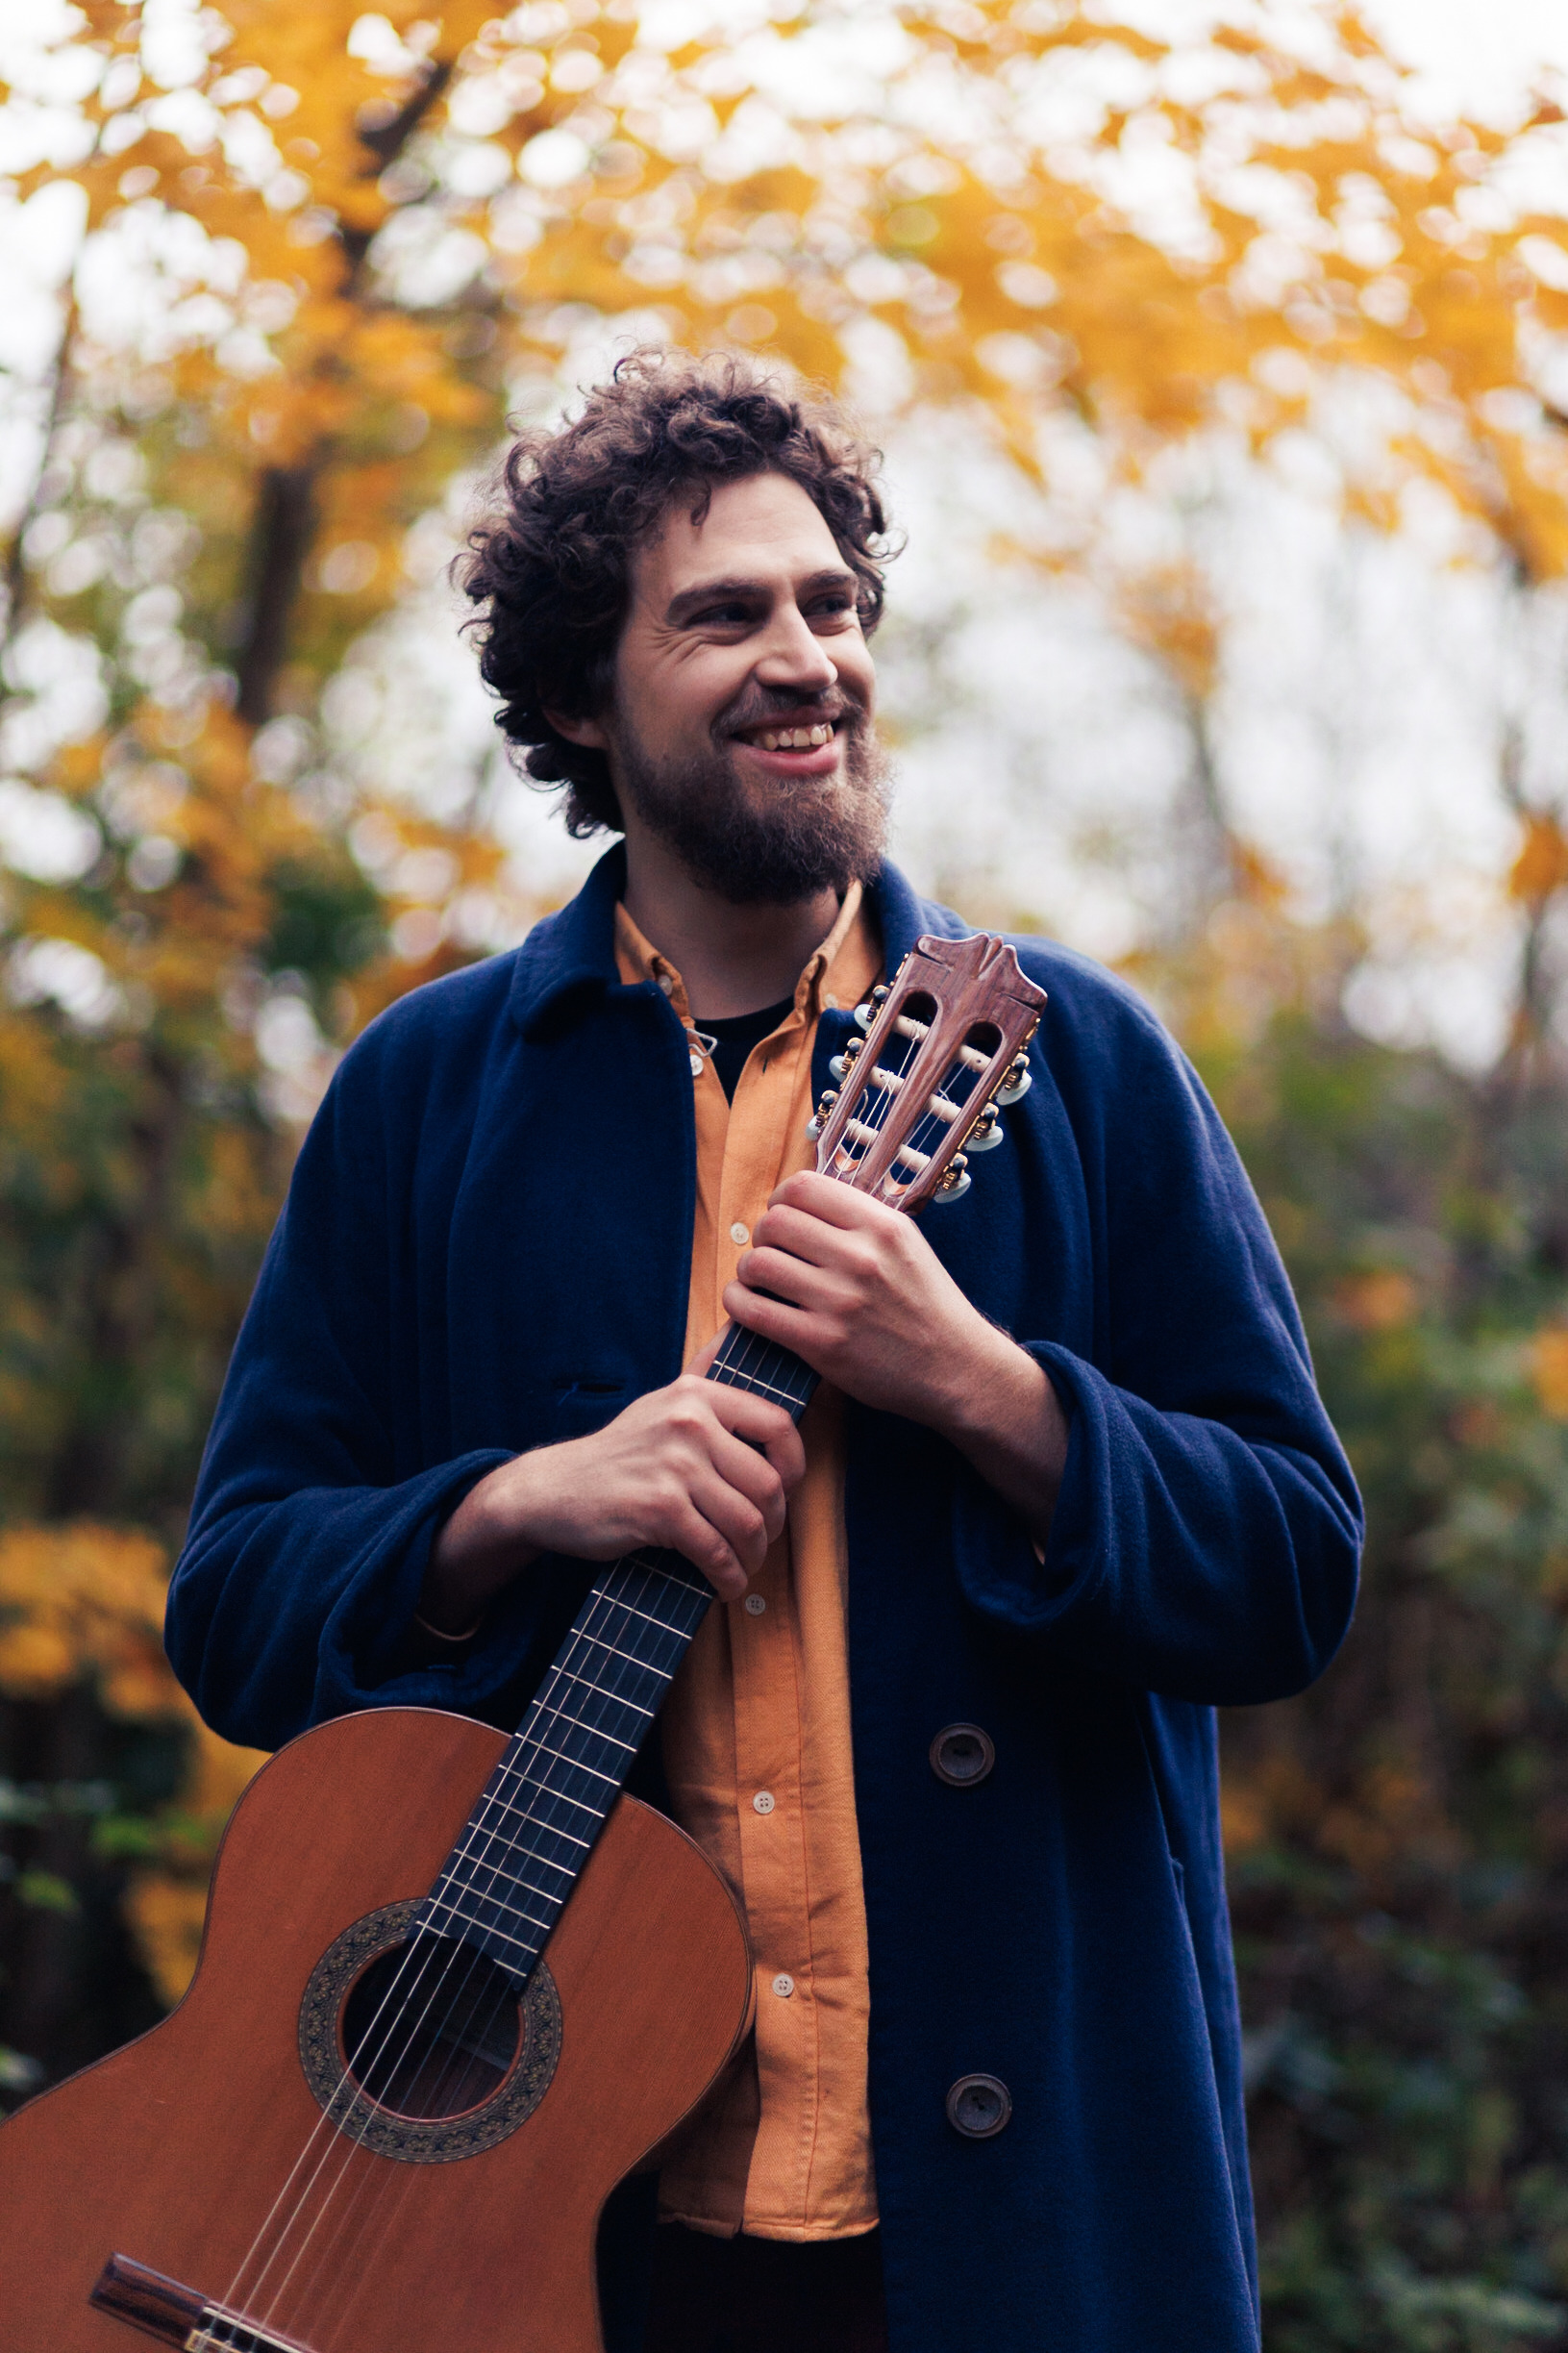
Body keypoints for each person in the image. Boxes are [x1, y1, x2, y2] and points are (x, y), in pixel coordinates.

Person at [167, 349, 1362, 2353]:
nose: (805, 658)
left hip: (1020, 2223)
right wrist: (516, 1507)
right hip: (557, 2223)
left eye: (830, 605)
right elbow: (237, 1609)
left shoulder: (1080, 1067)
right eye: (722, 615)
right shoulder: (427, 1095)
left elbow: (1298, 1569)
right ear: (577, 698)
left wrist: (985, 1386)